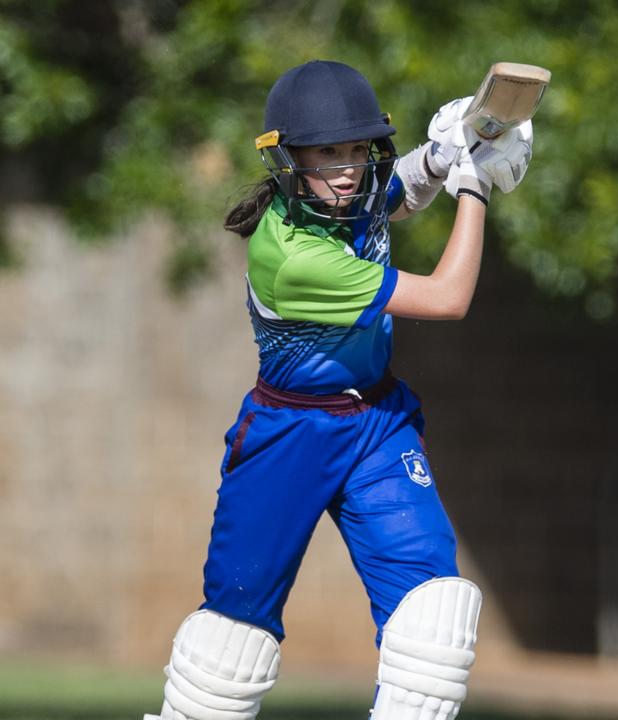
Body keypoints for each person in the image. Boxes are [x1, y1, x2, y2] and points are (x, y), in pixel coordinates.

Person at [144, 59, 533, 720]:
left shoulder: (344, 200)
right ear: (288, 157)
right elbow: (446, 297)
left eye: (359, 149)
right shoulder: (294, 256)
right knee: (229, 650)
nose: (349, 167)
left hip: (376, 423)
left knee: (432, 619)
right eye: (329, 152)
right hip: (289, 435)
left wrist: (439, 158)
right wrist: (474, 185)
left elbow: (394, 198)